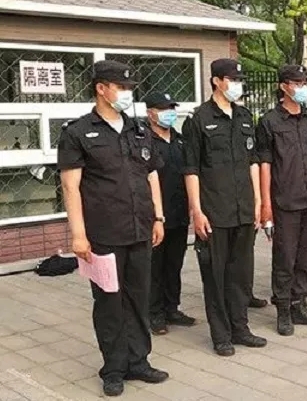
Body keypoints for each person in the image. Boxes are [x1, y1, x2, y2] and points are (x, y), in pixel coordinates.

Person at [58, 60, 169, 396]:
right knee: (109, 302)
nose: (126, 93)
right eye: (121, 87)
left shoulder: (139, 130)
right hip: (103, 234)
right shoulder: (78, 132)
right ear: (101, 89)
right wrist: (78, 234)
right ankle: (114, 368)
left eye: (129, 88)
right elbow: (70, 187)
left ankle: (139, 361)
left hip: (140, 229)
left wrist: (158, 217)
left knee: (138, 298)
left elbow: (151, 175)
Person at [183, 58, 267, 357]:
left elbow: (253, 161)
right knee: (215, 276)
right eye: (232, 79)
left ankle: (240, 328)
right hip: (214, 211)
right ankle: (221, 335)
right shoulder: (198, 119)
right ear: (216, 81)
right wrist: (196, 211)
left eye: (240, 80)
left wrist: (258, 201)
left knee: (241, 274)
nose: (237, 85)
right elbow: (191, 168)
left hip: (243, 208)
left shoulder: (244, 116)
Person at [256, 64, 307, 336]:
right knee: (285, 258)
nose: (302, 88)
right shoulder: (270, 121)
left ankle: (300, 304)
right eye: (297, 83)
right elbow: (265, 164)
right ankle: (283, 309)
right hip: (285, 199)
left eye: (304, 83)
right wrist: (265, 204)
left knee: (305, 257)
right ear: (284, 86)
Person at [144, 92, 195, 336]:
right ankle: (154, 313)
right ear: (150, 113)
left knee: (174, 265)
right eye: (164, 109)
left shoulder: (180, 140)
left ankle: (172, 308)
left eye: (172, 108)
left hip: (179, 213)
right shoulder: (143, 140)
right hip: (155, 216)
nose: (169, 113)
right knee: (155, 267)